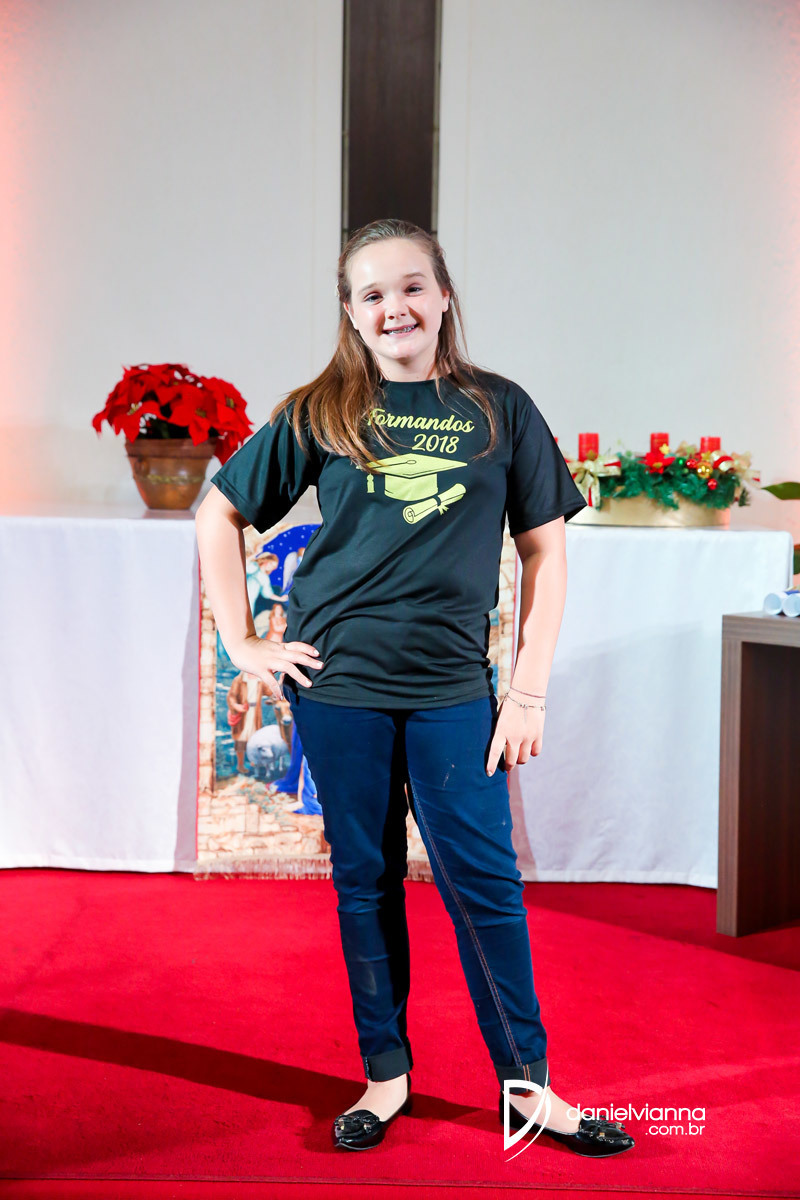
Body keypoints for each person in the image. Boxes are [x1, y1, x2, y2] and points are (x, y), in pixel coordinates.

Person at [195, 218, 635, 1158]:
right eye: (372, 294)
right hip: (338, 685)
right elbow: (218, 513)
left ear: (443, 296)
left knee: (485, 884)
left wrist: (528, 690)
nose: (394, 307)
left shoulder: (500, 409)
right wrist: (241, 640)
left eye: (410, 286)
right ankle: (386, 1076)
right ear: (351, 313)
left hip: (452, 690)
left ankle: (528, 1090)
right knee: (366, 879)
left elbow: (546, 552)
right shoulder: (322, 411)